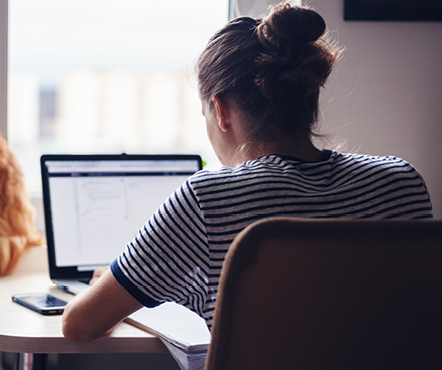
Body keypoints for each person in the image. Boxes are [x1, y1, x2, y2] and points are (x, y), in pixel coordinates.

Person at [61, 3, 433, 342]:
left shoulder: (208, 199)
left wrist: (118, 284)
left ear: (220, 111)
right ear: (310, 97)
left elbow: (78, 324)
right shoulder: (401, 182)